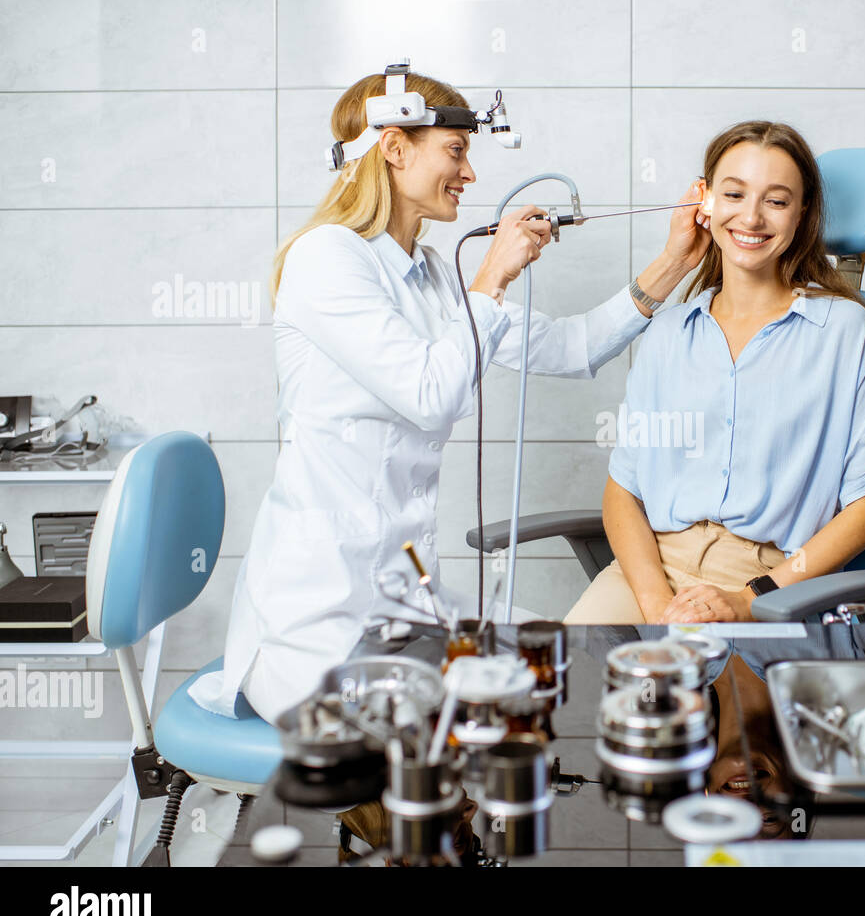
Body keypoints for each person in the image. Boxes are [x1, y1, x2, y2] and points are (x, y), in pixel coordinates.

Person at [189, 68, 708, 722]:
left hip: (402, 605)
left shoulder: (433, 275)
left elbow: (573, 347)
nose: (469, 174)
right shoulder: (326, 258)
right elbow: (427, 392)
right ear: (395, 148)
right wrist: (493, 273)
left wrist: (676, 260)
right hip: (317, 622)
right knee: (472, 733)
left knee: (569, 669)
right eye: (456, 151)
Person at [565, 120, 865, 625]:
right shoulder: (668, 333)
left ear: (802, 214)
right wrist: (657, 604)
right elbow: (623, 491)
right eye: (733, 194)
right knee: (562, 682)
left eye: (776, 200)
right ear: (704, 202)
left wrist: (754, 597)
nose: (751, 216)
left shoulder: (842, 329)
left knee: (710, 694)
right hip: (651, 572)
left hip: (775, 582)